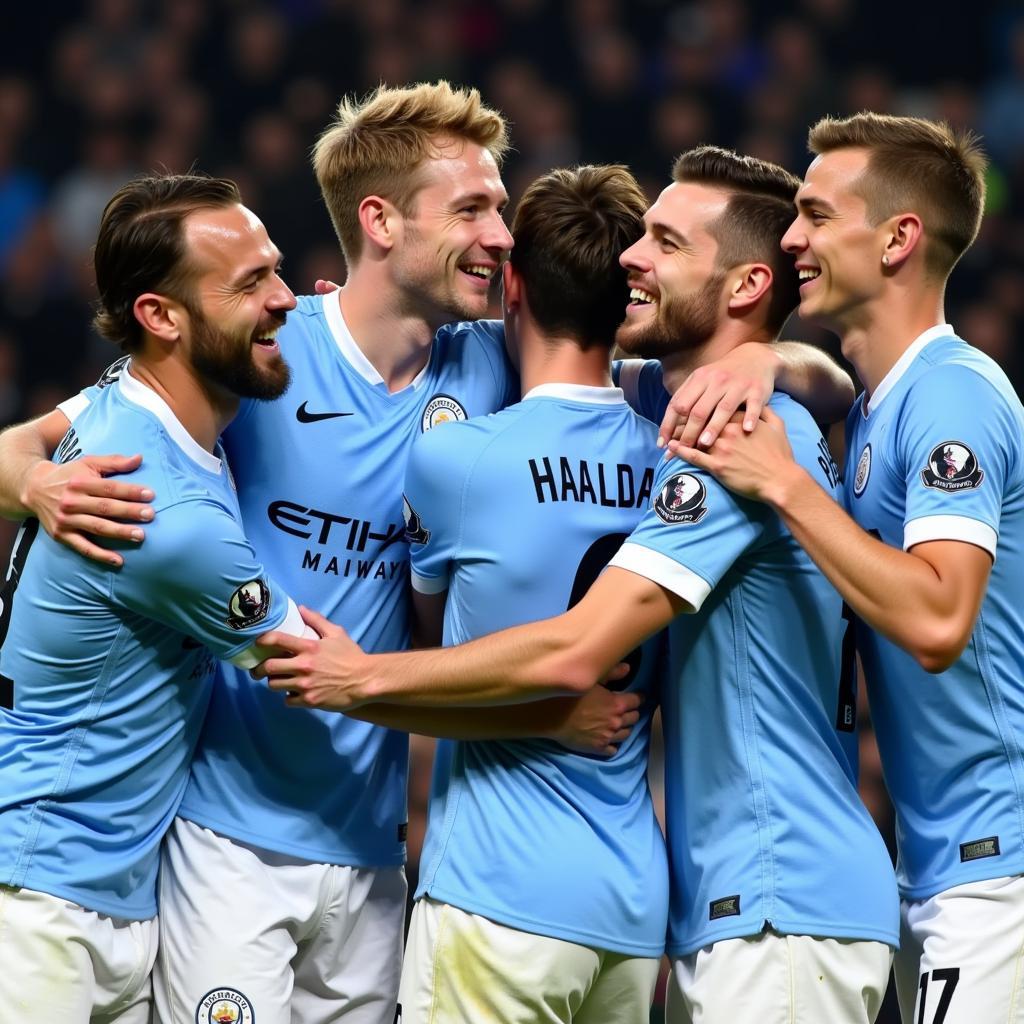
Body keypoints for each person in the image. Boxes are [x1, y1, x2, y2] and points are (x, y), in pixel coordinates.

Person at [0, 83, 853, 1021]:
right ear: (380, 221)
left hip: (375, 850)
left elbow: (801, 379)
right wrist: (29, 481)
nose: (500, 235)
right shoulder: (261, 353)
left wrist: (763, 359)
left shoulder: (493, 365)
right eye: (473, 210)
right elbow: (60, 435)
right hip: (227, 833)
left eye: (500, 207)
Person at [259, 146, 900, 1024]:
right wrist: (775, 360)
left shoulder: (721, 444)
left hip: (708, 897)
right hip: (657, 899)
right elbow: (828, 382)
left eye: (668, 243)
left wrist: (357, 679)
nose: (640, 256)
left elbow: (559, 650)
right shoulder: (675, 429)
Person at [669, 114, 1024, 1024]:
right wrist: (767, 354)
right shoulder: (873, 405)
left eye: (818, 217)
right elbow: (818, 378)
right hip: (944, 863)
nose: (793, 239)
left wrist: (789, 487)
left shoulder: (952, 392)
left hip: (1002, 860)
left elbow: (941, 621)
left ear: (900, 238)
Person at [0, 172, 304, 1023]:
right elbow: (322, 672)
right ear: (160, 316)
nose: (284, 300)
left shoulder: (121, 401)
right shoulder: (158, 511)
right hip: (41, 902)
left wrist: (28, 476)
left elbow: (14, 446)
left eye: (274, 268)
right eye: (249, 284)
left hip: (98, 885)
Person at [395, 163, 667, 1022]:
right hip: (632, 906)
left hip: (498, 893)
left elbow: (431, 647)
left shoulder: (459, 458)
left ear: (511, 283)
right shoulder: (676, 456)